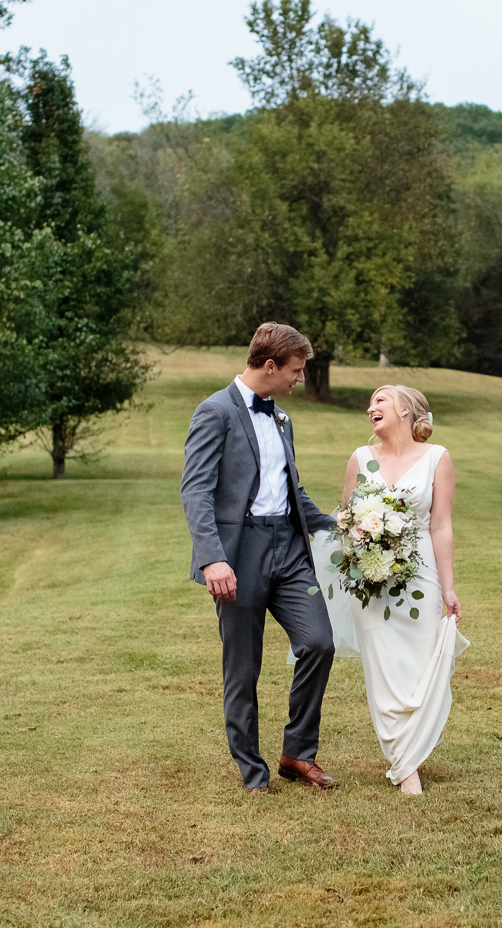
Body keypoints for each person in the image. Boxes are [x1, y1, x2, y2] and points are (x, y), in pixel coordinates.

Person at [180, 323, 339, 793]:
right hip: (238, 553)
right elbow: (196, 491)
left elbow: (291, 490)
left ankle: (296, 753)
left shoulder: (283, 418)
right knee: (243, 668)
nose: (300, 379)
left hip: (288, 550)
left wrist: (338, 524)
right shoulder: (215, 412)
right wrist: (213, 559)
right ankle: (253, 773)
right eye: (296, 370)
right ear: (270, 366)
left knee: (319, 642)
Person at [322, 384, 469, 796]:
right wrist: (363, 542)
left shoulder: (437, 458)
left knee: (419, 666)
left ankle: (415, 744)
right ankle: (406, 768)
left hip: (420, 577)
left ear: (405, 410)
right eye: (371, 403)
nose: (371, 407)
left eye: (380, 400)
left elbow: (440, 524)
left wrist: (449, 586)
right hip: (370, 582)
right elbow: (346, 520)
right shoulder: (360, 459)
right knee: (384, 667)